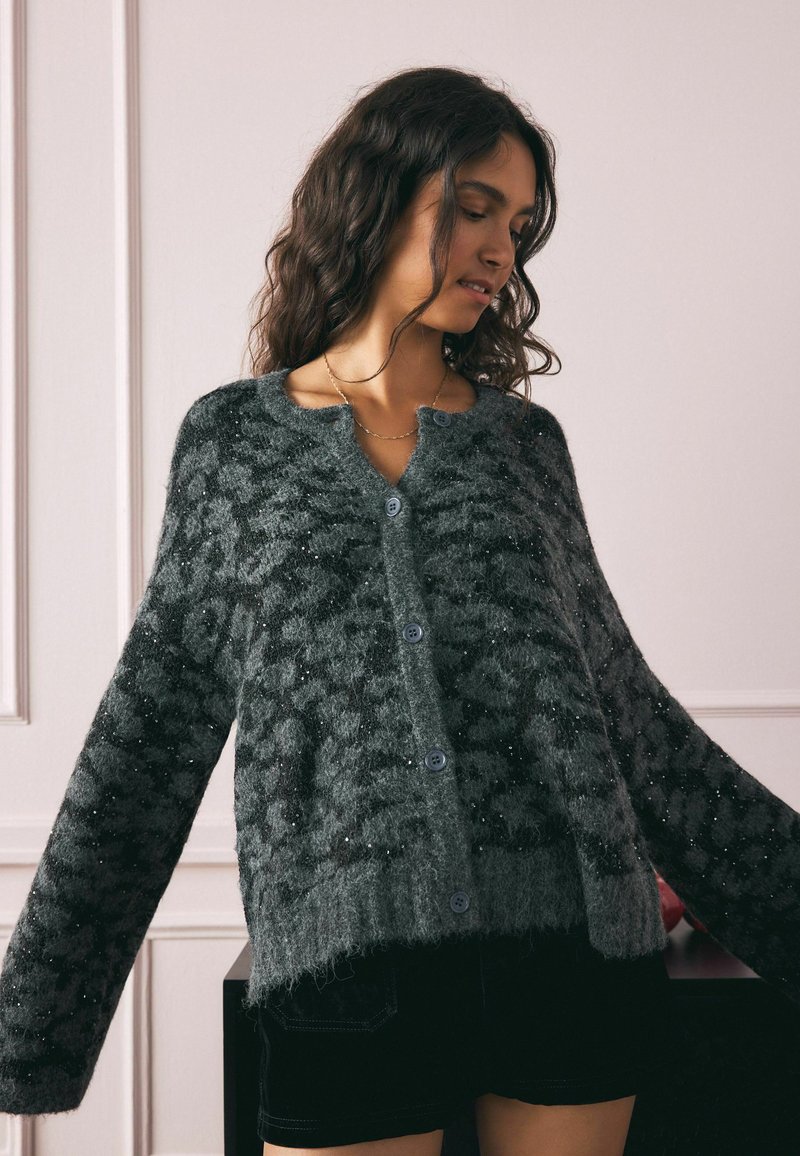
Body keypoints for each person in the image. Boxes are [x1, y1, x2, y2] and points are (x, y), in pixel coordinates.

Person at [3, 65, 799, 1156]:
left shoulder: (524, 446)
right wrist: (35, 1025)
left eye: (517, 225)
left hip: (568, 954)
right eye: (473, 209)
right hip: (343, 973)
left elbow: (630, 714)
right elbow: (151, 726)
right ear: (376, 196)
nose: (500, 250)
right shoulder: (233, 445)